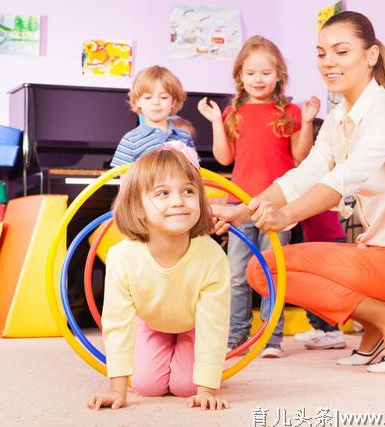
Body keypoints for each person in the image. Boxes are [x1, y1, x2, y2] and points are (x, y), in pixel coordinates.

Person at [212, 11, 385, 374]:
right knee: (263, 269)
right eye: (321, 53)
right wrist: (242, 211)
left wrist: (286, 215)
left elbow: (343, 179)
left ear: (370, 56)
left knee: (263, 270)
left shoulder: (384, 114)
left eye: (341, 52)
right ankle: (375, 329)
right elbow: (305, 173)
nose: (328, 62)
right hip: (380, 258)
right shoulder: (340, 117)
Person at [197, 35, 317, 358]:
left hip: (277, 206)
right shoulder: (233, 112)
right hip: (238, 204)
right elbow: (224, 158)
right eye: (250, 73)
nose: (258, 79)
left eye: (265, 72)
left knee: (272, 270)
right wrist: (215, 123)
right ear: (240, 76)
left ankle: (271, 338)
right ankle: (236, 336)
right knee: (236, 273)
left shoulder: (288, 110)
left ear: (279, 75)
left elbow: (300, 155)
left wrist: (306, 123)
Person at [87, 149, 231, 410]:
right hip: (152, 321)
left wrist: (207, 389)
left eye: (188, 191)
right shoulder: (122, 256)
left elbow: (214, 324)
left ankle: (189, 357)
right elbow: (117, 322)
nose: (179, 201)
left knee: (186, 387)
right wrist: (117, 391)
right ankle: (164, 348)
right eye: (163, 193)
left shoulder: (212, 256)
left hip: (193, 324)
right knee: (146, 386)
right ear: (139, 209)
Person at [295, 118, 348, 351]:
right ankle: (319, 329)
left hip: (329, 240)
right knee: (309, 288)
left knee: (323, 289)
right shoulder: (312, 172)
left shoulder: (323, 173)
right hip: (317, 239)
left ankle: (333, 332)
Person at [110, 65, 196, 167]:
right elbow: (125, 180)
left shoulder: (184, 137)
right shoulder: (130, 140)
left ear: (173, 102)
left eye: (164, 97)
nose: (156, 102)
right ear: (138, 101)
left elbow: (194, 173)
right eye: (148, 97)